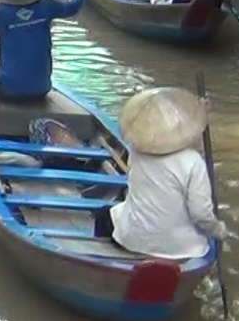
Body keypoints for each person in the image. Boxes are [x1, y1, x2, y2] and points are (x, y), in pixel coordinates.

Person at [93, 87, 227, 259]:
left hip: (134, 241)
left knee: (104, 214)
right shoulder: (193, 162)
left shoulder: (136, 152)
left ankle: (103, 259)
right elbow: (200, 214)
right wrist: (217, 229)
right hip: (183, 250)